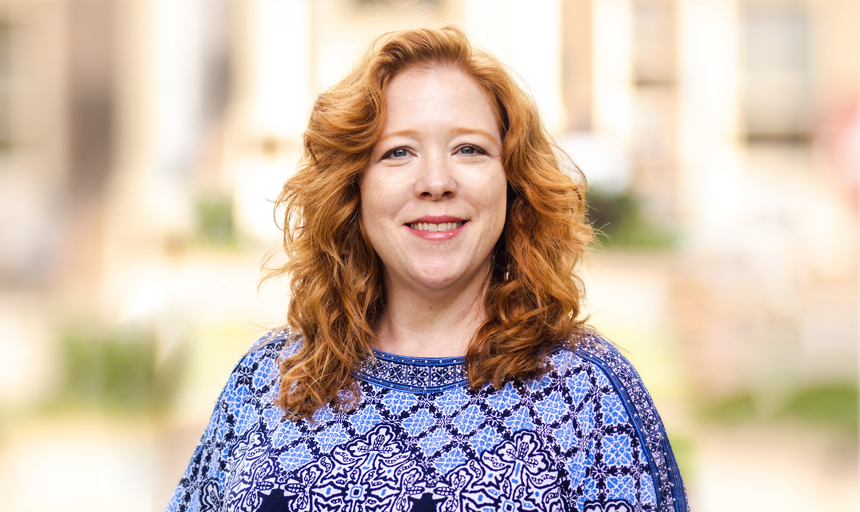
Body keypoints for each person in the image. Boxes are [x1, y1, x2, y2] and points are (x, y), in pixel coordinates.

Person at [167, 26, 688, 512]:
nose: (435, 181)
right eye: (398, 152)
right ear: (353, 189)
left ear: (513, 184)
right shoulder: (265, 382)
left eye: (469, 149)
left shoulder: (588, 397)